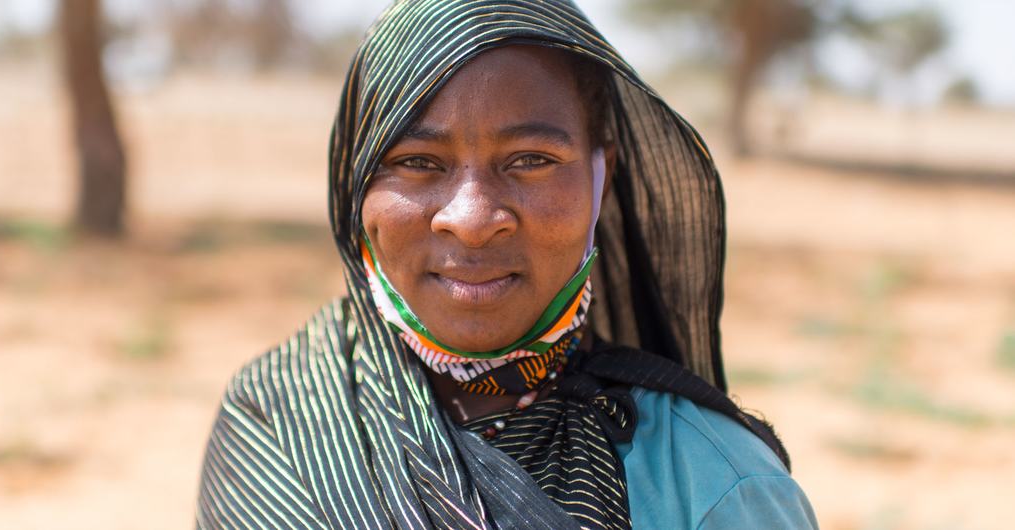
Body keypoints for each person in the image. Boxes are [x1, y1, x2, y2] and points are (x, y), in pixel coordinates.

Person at [195, 1, 818, 528]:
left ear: (602, 178)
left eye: (531, 160)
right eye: (416, 161)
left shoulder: (712, 485)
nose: (471, 217)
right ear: (355, 186)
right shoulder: (273, 420)